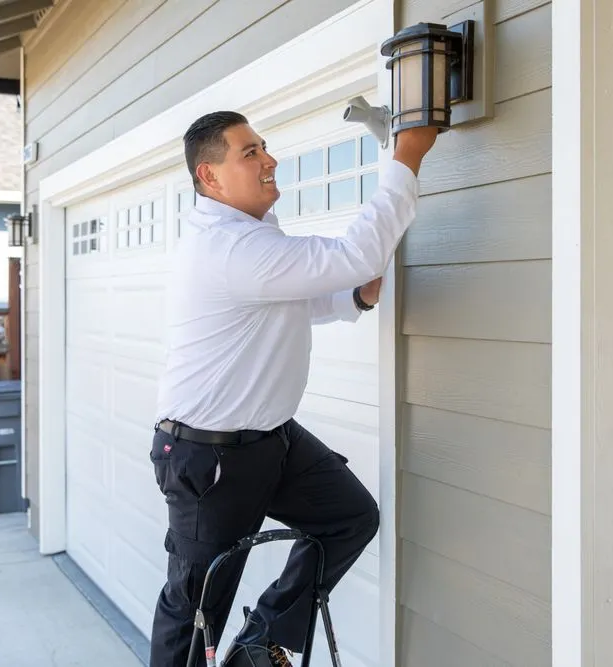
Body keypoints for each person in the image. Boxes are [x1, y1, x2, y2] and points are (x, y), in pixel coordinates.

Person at [148, 109, 438, 667]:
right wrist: (406, 157)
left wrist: (355, 297)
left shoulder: (252, 237)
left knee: (347, 516)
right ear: (210, 177)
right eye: (249, 152)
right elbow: (354, 255)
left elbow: (301, 301)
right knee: (196, 607)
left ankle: (261, 641)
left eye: (264, 147)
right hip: (209, 457)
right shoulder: (229, 248)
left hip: (271, 442)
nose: (269, 159)